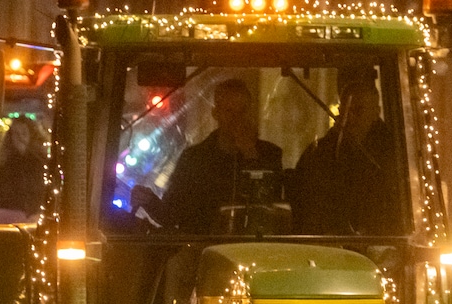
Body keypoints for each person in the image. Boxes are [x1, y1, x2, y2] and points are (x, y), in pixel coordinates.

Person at [132, 78, 283, 234]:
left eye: (242, 111)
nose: (236, 119)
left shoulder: (270, 155)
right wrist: (149, 201)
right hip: (201, 248)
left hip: (252, 246)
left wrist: (251, 155)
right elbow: (173, 213)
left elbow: (270, 208)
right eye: (229, 111)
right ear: (216, 113)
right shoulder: (194, 159)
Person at [292, 80, 402, 235]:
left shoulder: (394, 155)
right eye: (344, 111)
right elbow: (306, 207)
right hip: (329, 245)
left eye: (358, 110)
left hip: (381, 243)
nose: (350, 118)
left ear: (376, 112)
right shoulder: (318, 154)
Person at [0, 117, 47, 214]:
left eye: (23, 133)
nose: (19, 137)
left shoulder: (42, 164)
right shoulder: (6, 168)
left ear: (32, 135)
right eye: (15, 134)